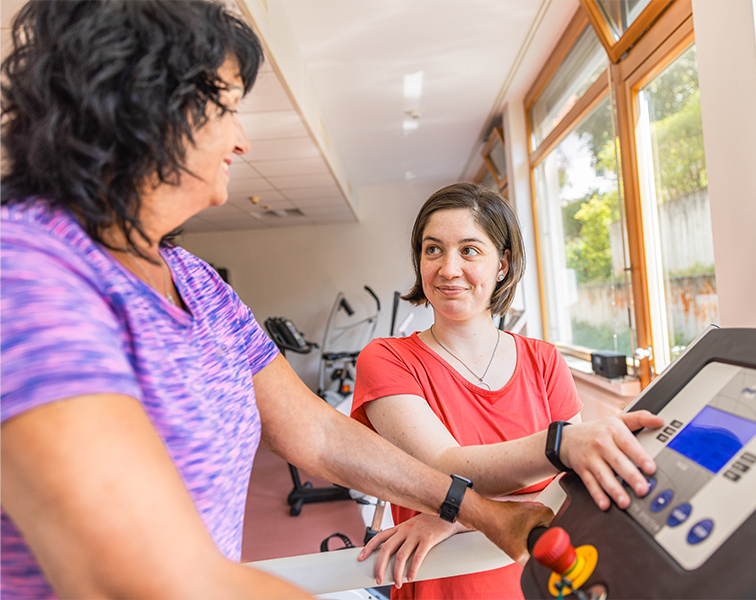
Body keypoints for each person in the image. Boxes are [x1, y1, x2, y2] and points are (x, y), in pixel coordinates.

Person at [0, 3, 554, 598]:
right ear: (144, 103)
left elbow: (317, 434)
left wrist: (482, 513)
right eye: (229, 108)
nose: (242, 141)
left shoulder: (196, 281)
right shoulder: (26, 272)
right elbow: (141, 582)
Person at [351, 183, 665, 599]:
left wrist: (453, 517)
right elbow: (447, 467)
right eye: (433, 250)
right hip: (445, 588)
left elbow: (566, 490)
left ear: (502, 264)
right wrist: (562, 445)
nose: (447, 269)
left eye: (468, 250)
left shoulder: (544, 360)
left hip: (538, 578)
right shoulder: (387, 359)